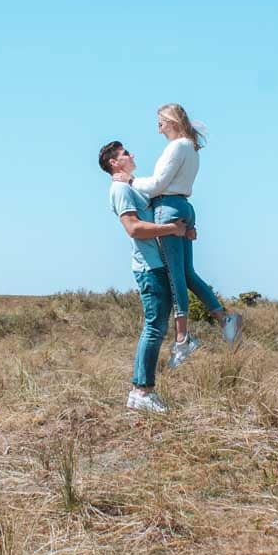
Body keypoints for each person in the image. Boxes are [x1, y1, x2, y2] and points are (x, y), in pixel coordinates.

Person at [130, 103, 241, 365]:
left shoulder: (176, 146)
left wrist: (131, 181)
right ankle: (224, 318)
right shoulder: (191, 148)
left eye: (160, 123)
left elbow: (157, 185)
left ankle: (182, 339)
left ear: (171, 121)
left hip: (167, 208)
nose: (158, 130)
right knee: (188, 273)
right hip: (185, 207)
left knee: (175, 275)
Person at [98, 139, 195, 413]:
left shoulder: (132, 187)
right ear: (114, 162)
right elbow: (134, 228)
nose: (131, 155)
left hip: (157, 264)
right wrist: (171, 229)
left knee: (157, 327)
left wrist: (183, 231)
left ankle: (142, 391)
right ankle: (141, 391)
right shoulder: (119, 190)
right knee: (153, 328)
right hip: (148, 268)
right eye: (125, 154)